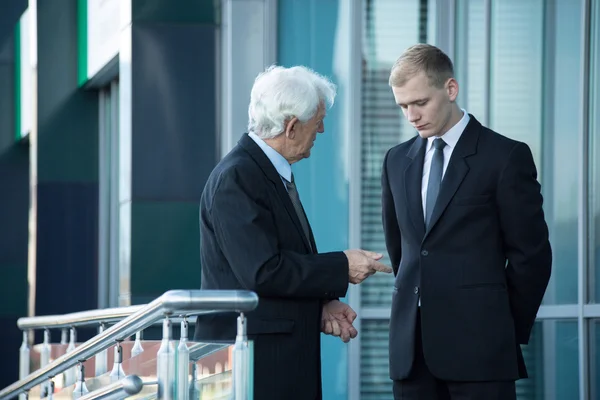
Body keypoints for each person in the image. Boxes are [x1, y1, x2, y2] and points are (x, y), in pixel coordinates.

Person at [194, 65, 392, 400]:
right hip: (254, 367)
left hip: (271, 359)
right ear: (291, 127)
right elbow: (263, 271)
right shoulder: (238, 178)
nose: (323, 129)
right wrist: (342, 265)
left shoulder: (261, 172)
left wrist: (321, 305)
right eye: (318, 121)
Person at [381, 44, 552, 399]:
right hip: (412, 358)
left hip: (482, 353)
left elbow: (531, 257)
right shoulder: (396, 161)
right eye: (403, 106)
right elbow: (403, 252)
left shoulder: (505, 157)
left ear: (450, 89)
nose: (411, 116)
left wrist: (500, 327)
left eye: (420, 102)